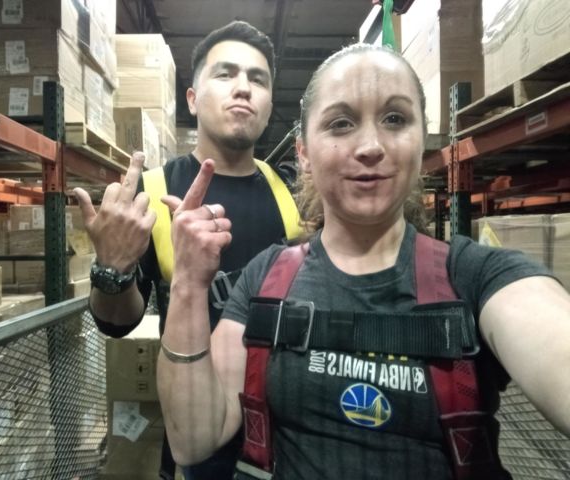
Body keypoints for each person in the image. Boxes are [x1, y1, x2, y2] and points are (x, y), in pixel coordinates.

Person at [156, 42, 570, 479]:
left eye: (395, 119)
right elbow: (194, 439)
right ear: (303, 153)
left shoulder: (476, 278)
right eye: (341, 123)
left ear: (420, 139)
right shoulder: (264, 279)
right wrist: (188, 284)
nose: (371, 146)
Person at [74, 21, 301, 480]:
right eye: (226, 74)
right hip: (200, 437)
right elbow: (117, 322)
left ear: (269, 103)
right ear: (193, 99)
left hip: (294, 433)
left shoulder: (293, 194)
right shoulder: (153, 191)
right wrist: (112, 268)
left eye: (258, 79)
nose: (243, 88)